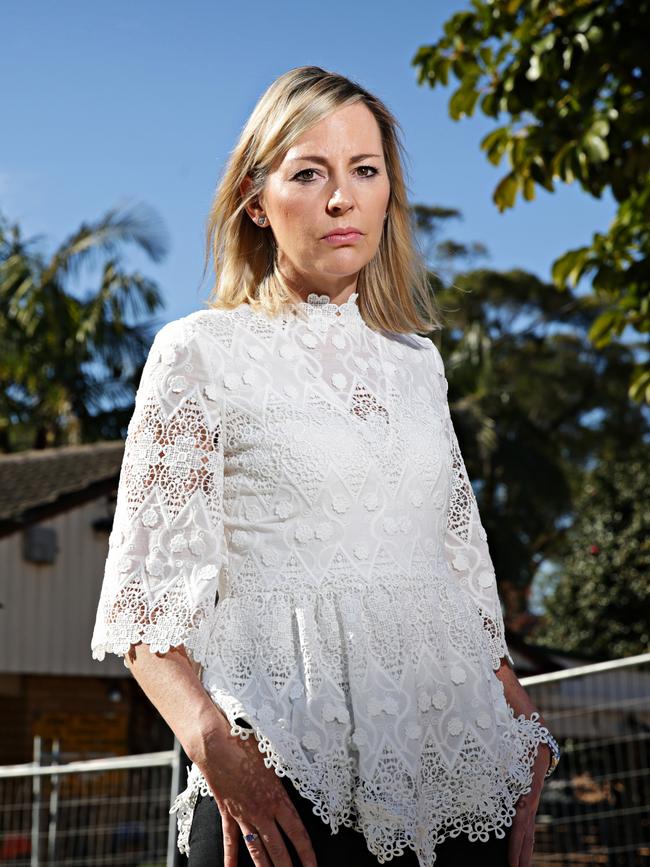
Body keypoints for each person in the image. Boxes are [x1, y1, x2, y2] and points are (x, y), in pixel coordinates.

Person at [90, 66, 561, 867]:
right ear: (254, 198)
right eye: (309, 173)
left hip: (455, 765)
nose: (342, 199)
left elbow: (460, 569)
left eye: (364, 171)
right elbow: (145, 604)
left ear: (388, 193)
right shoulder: (199, 353)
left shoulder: (420, 365)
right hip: (278, 769)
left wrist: (521, 730)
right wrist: (214, 745)